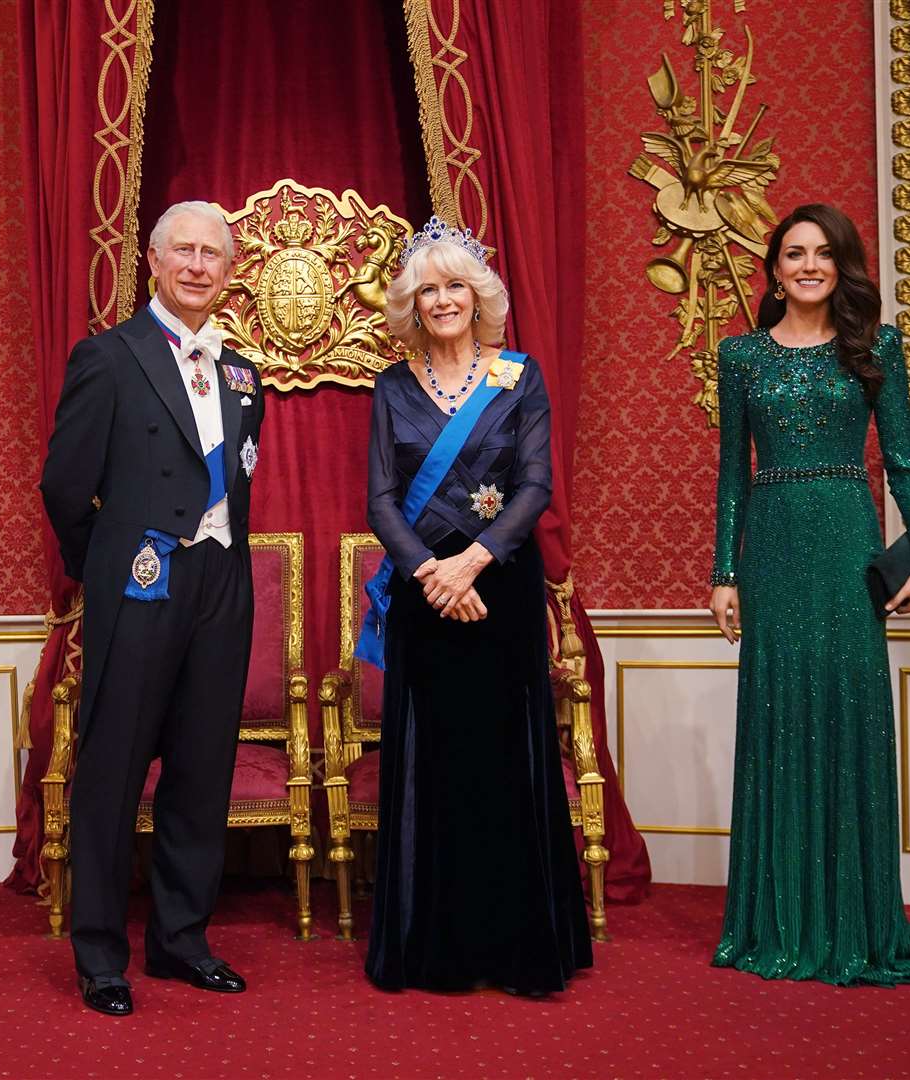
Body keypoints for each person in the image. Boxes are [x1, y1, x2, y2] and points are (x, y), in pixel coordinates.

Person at [708, 202, 910, 985]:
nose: (806, 265)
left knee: (849, 716)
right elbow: (730, 476)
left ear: (842, 266)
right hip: (772, 551)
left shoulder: (874, 346)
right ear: (773, 270)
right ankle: (775, 921)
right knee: (778, 720)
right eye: (791, 253)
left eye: (822, 253)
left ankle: (856, 921)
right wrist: (723, 573)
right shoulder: (740, 355)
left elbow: (905, 462)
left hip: (847, 544)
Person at [41, 201, 265, 1018]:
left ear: (228, 268)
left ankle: (181, 940)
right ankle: (101, 955)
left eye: (213, 253)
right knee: (112, 773)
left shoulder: (244, 373)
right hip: (138, 585)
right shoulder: (108, 357)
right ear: (153, 260)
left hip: (219, 590)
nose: (199, 265)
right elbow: (65, 485)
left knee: (202, 772)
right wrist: (100, 569)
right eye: (184, 251)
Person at [358, 216, 592, 995]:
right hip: (428, 598)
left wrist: (473, 561)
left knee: (503, 756)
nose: (443, 299)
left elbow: (534, 486)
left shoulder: (518, 377)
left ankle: (518, 946)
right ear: (411, 304)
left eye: (456, 284)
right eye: (428, 288)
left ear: (479, 294)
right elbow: (381, 500)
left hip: (501, 587)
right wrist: (431, 572)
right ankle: (437, 949)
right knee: (436, 759)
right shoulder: (392, 387)